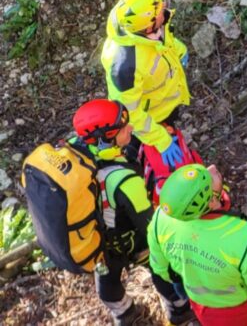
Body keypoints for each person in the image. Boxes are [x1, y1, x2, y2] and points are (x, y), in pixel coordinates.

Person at [72, 99, 193, 326]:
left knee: (107, 283)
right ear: (105, 137)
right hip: (128, 240)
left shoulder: (77, 151)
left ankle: (124, 314)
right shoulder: (126, 182)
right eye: (124, 128)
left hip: (96, 241)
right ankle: (180, 309)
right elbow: (152, 227)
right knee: (160, 266)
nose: (131, 129)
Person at [148, 164, 247, 326]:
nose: (212, 168)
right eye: (207, 179)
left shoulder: (161, 218)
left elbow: (161, 268)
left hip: (204, 312)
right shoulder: (242, 236)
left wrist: (184, 282)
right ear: (212, 201)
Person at [101, 0, 190, 170]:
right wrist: (161, 140)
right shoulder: (125, 67)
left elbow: (162, 43)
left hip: (165, 104)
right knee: (143, 155)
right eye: (160, 14)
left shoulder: (145, 27)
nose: (166, 12)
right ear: (147, 28)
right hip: (149, 120)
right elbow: (131, 114)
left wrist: (179, 50)